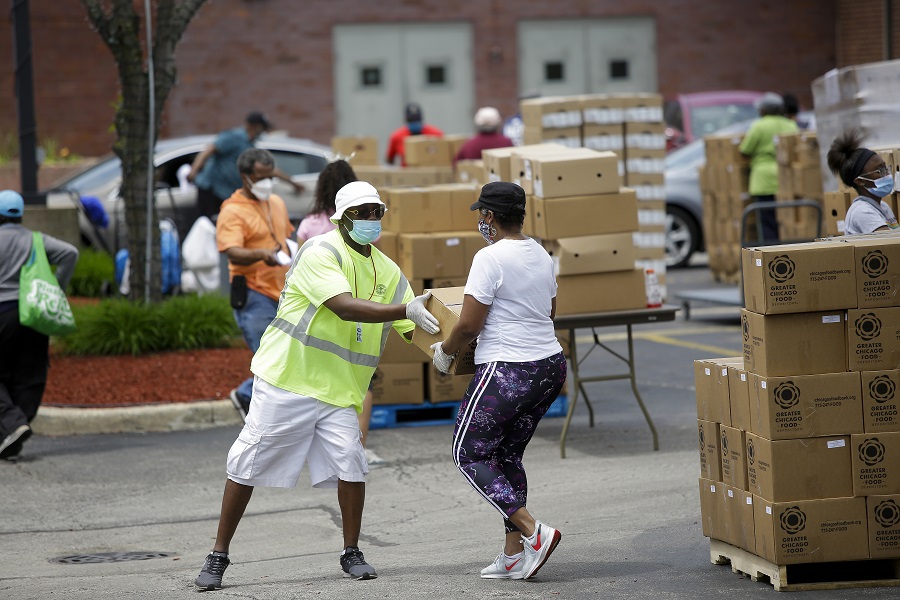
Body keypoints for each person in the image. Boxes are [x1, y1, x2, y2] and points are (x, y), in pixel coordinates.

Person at [195, 181, 441, 590]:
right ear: (341, 219)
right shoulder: (320, 251)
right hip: (288, 380)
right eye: (361, 213)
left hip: (338, 392)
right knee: (247, 462)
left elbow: (414, 327)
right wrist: (405, 309)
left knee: (352, 462)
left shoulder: (388, 271)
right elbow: (342, 307)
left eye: (376, 212)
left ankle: (352, 551)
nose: (370, 220)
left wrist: (446, 352)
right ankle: (218, 555)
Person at [430, 182, 567, 581]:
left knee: (467, 453)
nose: (479, 221)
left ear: (489, 216)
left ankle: (533, 532)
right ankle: (512, 556)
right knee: (506, 457)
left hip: (509, 370)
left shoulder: (489, 258)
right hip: (548, 367)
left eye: (481, 214)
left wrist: (444, 351)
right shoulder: (540, 252)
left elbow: (469, 324)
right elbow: (550, 310)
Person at [296, 157, 385, 465]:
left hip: (319, 321)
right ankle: (357, 447)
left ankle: (324, 448)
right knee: (362, 384)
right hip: (360, 316)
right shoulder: (366, 227)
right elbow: (372, 262)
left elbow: (296, 264)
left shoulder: (309, 224)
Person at [216, 148, 295, 422]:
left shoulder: (276, 202)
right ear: (245, 177)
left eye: (269, 176)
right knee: (271, 359)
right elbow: (231, 250)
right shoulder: (233, 211)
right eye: (260, 177)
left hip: (283, 292)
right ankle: (247, 396)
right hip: (253, 294)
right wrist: (261, 255)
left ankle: (251, 399)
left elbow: (285, 238)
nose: (267, 182)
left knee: (287, 355)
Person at [0, 190, 79, 462]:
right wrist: (57, 289)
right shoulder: (35, 240)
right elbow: (70, 253)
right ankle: (15, 428)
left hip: (2, 314)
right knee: (30, 373)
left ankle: (12, 424)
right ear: (21, 214)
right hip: (33, 313)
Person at [188, 111, 303, 218]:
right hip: (211, 188)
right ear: (256, 126)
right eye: (262, 128)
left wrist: (291, 182)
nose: (262, 132)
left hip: (225, 193)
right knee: (208, 225)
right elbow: (209, 150)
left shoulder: (249, 145)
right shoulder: (233, 137)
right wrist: (194, 170)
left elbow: (268, 169)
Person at [738, 92, 798, 242]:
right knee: (786, 220)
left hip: (763, 179)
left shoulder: (758, 126)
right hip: (786, 178)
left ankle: (771, 253)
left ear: (763, 110)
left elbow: (745, 150)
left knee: (767, 221)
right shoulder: (790, 125)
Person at [826, 129, 899, 236]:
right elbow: (891, 243)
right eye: (879, 171)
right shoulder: (862, 211)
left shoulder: (883, 206)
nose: (887, 174)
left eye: (886, 168)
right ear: (860, 181)